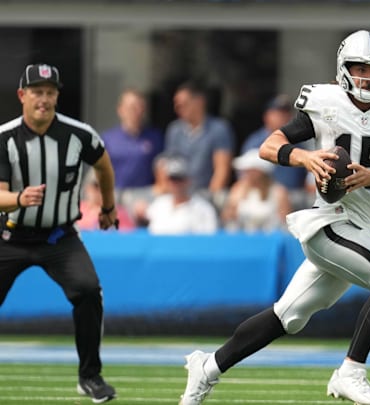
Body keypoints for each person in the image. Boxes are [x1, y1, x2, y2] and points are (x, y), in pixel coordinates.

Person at [179, 30, 370, 405]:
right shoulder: (324, 101)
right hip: (328, 222)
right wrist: (305, 157)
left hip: (359, 228)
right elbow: (269, 145)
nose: (367, 77)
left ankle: (208, 367)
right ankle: (351, 372)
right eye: (359, 68)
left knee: (288, 316)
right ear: (344, 68)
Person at [0, 63, 118, 403]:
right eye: (37, 92)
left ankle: (90, 376)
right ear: (22, 95)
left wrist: (108, 207)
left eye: (50, 93)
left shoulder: (78, 134)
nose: (44, 99)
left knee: (87, 290)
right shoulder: (6, 138)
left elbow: (103, 164)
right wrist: (20, 199)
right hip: (11, 235)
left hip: (60, 238)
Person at [242, 94, 312, 211]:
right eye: (278, 113)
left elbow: (307, 178)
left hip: (294, 200)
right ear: (267, 116)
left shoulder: (299, 142)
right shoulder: (255, 142)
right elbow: (245, 178)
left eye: (286, 114)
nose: (283, 118)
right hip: (262, 198)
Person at [164, 80, 235, 194]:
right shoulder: (174, 130)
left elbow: (222, 170)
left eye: (183, 104)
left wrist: (210, 198)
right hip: (179, 195)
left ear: (199, 102)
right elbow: (168, 165)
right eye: (176, 104)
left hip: (205, 194)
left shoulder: (219, 129)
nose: (178, 108)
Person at [101, 88, 164, 190]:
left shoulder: (155, 137)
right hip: (115, 196)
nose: (136, 111)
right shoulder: (107, 139)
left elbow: (162, 171)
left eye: (140, 107)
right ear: (120, 110)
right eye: (132, 107)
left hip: (145, 197)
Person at [145, 155, 219, 235]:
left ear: (188, 180)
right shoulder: (158, 204)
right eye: (172, 179)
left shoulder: (203, 209)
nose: (175, 184)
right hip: (158, 247)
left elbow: (209, 240)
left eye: (179, 179)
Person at [222, 148, 290, 233]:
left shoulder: (279, 192)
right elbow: (228, 219)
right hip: (244, 240)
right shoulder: (238, 189)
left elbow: (286, 225)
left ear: (259, 172)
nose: (245, 174)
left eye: (248, 171)